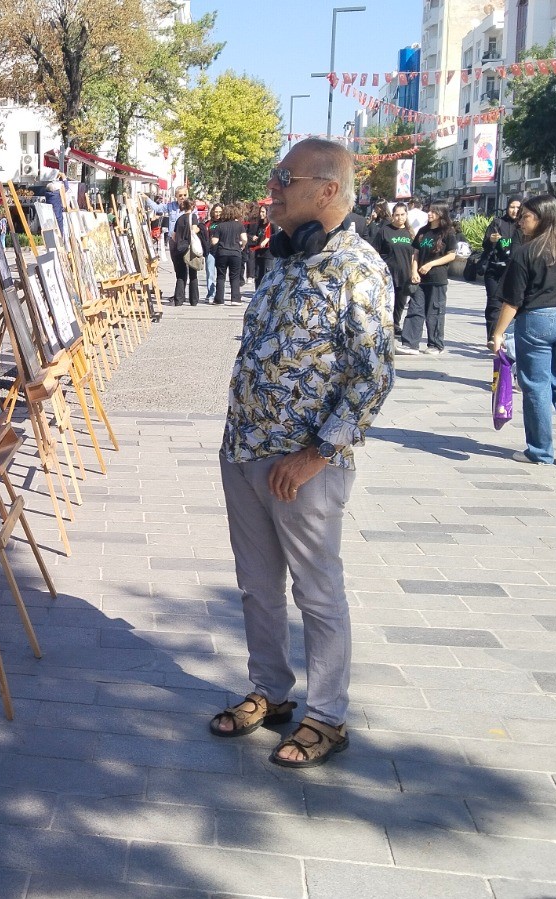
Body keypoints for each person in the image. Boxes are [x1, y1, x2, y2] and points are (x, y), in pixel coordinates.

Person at [213, 138, 394, 769]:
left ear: (326, 189)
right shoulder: (285, 260)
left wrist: (317, 455)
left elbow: (372, 376)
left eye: (283, 179)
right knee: (257, 587)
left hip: (304, 465)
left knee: (317, 591)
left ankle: (328, 714)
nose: (273, 189)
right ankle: (270, 691)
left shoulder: (359, 267)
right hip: (245, 451)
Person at [489, 194, 556, 466]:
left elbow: (513, 300)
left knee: (536, 386)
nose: (521, 222)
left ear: (542, 218)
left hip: (538, 321)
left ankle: (540, 451)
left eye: (526, 217)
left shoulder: (527, 251)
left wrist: (498, 333)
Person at [401, 202, 458, 354]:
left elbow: (451, 255)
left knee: (435, 312)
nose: (430, 214)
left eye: (434, 211)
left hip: (437, 278)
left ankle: (435, 344)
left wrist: (431, 264)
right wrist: (414, 271)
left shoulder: (448, 232)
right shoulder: (423, 231)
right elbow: (416, 253)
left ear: (441, 213)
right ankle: (410, 343)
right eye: (429, 211)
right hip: (420, 279)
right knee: (415, 309)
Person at [370, 202, 418, 335]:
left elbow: (415, 254)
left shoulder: (410, 233)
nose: (400, 218)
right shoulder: (385, 231)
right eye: (397, 215)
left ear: (406, 215)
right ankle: (386, 325)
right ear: (392, 215)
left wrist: (414, 271)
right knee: (387, 302)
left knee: (400, 303)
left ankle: (395, 324)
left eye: (402, 214)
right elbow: (374, 252)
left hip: (405, 274)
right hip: (388, 274)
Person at [481, 197, 523, 341]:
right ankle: (493, 337)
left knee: (514, 304)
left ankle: (509, 337)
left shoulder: (524, 225)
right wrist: (491, 240)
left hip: (515, 272)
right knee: (494, 304)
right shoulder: (498, 223)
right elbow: (485, 245)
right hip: (496, 270)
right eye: (512, 207)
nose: (515, 211)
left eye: (518, 207)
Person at [210, 202, 247, 305]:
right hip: (235, 253)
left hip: (222, 253)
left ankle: (219, 299)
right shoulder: (240, 226)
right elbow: (244, 239)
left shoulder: (220, 226)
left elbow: (214, 241)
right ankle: (235, 299)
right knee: (235, 276)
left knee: (221, 276)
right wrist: (242, 245)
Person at [168, 198, 201, 306]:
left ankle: (179, 299)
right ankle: (194, 300)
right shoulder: (193, 216)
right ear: (192, 206)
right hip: (189, 248)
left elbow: (174, 235)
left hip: (179, 248)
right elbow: (194, 229)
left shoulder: (180, 218)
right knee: (193, 274)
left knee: (181, 275)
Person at [248, 203, 274, 284]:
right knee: (258, 276)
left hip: (268, 253)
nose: (261, 214)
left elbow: (275, 235)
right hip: (259, 252)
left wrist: (268, 239)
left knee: (267, 275)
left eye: (263, 212)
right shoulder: (260, 223)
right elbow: (258, 234)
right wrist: (254, 237)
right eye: (260, 212)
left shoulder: (272, 223)